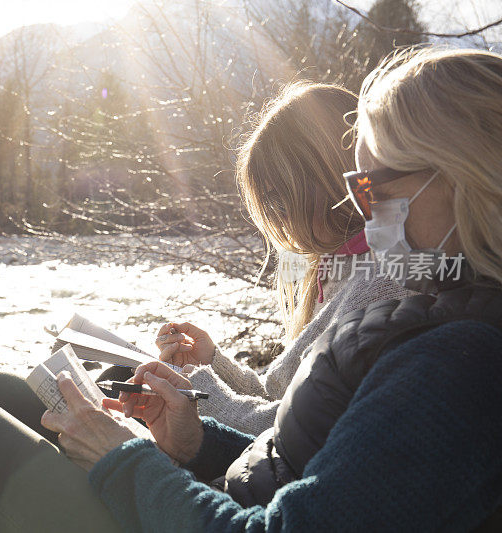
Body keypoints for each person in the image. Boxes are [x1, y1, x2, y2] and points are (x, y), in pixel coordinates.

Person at [43, 47, 502, 531]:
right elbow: (313, 463)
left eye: (378, 192)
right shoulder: (445, 318)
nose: (366, 214)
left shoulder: (455, 360)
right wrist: (196, 443)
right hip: (233, 487)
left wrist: (125, 461)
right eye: (357, 191)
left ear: (467, 177)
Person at [156, 82, 412, 436]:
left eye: (279, 200)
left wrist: (197, 390)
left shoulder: (384, 284)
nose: (279, 220)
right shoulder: (339, 266)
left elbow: (291, 430)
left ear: (328, 180)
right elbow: (280, 392)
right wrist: (211, 362)